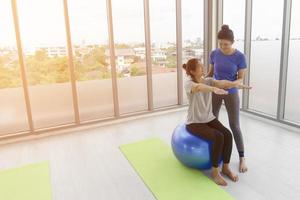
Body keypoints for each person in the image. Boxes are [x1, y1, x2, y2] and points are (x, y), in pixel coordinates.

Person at [183, 58, 251, 186]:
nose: (203, 67)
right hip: (195, 122)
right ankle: (215, 172)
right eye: (200, 67)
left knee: (228, 134)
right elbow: (199, 87)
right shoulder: (189, 84)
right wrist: (213, 90)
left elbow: (222, 83)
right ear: (192, 71)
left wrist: (236, 84)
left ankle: (225, 167)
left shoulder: (208, 80)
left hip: (209, 117)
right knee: (218, 136)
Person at [206, 24, 249, 173]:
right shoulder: (214, 54)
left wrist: (229, 84)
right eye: (220, 44)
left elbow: (240, 79)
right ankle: (212, 153)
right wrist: (199, 82)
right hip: (216, 91)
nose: (222, 47)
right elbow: (210, 74)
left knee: (234, 125)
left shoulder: (240, 57)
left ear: (232, 42)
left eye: (226, 44)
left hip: (231, 93)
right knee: (212, 121)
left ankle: (242, 157)